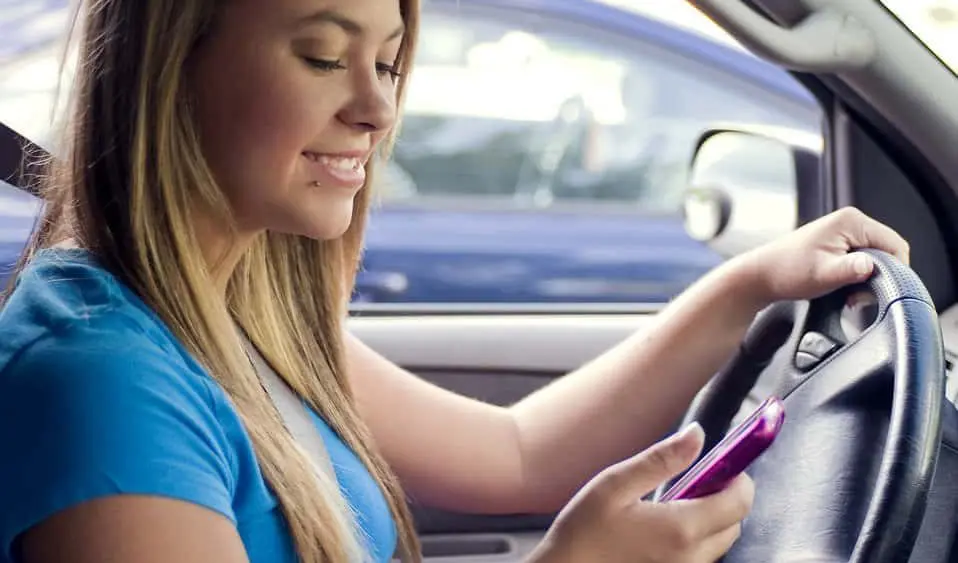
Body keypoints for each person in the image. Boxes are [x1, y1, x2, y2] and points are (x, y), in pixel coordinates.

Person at [0, 0, 910, 562]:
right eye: (323, 55)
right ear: (171, 65)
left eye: (389, 60)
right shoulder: (100, 383)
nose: (378, 107)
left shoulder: (233, 312)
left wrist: (748, 285)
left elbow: (516, 451)